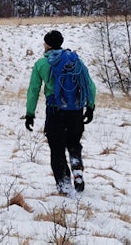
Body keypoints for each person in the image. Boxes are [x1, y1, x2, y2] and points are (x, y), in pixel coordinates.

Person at [24, 30, 97, 195]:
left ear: (48, 45)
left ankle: (64, 185)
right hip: (75, 110)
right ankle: (77, 169)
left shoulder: (42, 64)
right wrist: (90, 106)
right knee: (73, 144)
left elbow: (33, 90)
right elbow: (90, 85)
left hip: (55, 111)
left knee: (56, 149)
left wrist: (30, 113)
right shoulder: (74, 60)